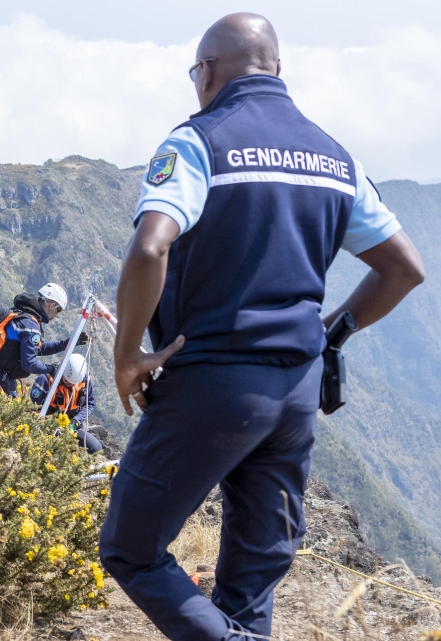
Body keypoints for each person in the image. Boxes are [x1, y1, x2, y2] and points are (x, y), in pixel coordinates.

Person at [101, 13, 424, 640]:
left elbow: (149, 249)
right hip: (297, 392)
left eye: (196, 72)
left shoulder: (198, 143)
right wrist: (334, 331)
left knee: (132, 547)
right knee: (252, 575)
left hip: (213, 386)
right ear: (276, 70)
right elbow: (404, 268)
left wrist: (127, 356)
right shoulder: (335, 159)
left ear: (209, 72)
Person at [0, 283, 87, 395]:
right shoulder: (30, 326)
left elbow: (37, 348)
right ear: (52, 306)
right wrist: (51, 369)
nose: (56, 315)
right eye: (59, 310)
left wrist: (65, 344)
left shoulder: (20, 314)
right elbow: (29, 364)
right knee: (4, 413)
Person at [28, 353, 103, 454]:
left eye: (73, 383)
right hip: (47, 423)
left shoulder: (84, 382)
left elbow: (89, 404)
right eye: (67, 382)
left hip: (71, 425)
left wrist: (76, 421)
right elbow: (32, 408)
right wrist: (47, 426)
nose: (71, 385)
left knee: (96, 448)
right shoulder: (45, 380)